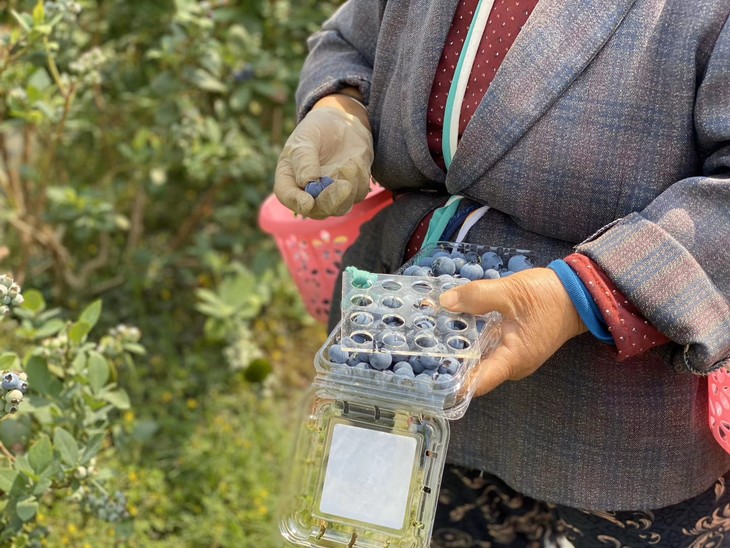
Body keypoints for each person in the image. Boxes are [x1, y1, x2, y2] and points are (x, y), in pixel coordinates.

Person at [273, 0, 730, 545]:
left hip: (622, 413)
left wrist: (575, 295)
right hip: (413, 365)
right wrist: (342, 104)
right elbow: (350, 41)